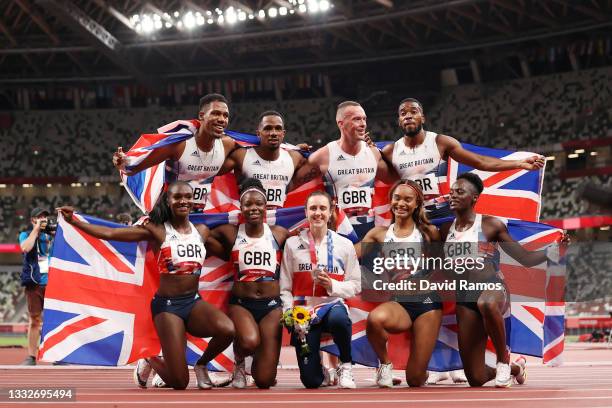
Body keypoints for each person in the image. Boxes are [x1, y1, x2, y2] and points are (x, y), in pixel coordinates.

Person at [57, 181, 235, 390]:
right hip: (168, 308)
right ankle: (149, 357)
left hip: (193, 303)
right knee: (179, 382)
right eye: (177, 197)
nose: (183, 201)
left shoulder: (202, 231)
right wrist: (76, 221)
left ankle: (202, 365)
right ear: (168, 201)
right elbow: (111, 234)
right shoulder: (157, 231)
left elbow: (227, 252)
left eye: (188, 196)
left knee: (227, 330)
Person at [439, 172, 555, 387]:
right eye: (452, 192)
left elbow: (525, 258)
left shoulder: (490, 225)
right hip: (465, 297)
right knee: (476, 378)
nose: (452, 195)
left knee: (487, 302)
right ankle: (516, 368)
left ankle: (503, 361)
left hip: (493, 288)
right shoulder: (446, 230)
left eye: (460, 192)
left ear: (474, 198)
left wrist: (554, 252)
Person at [380, 98, 545, 219]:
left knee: (459, 262)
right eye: (403, 113)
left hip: (444, 213)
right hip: (413, 216)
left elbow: (481, 162)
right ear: (399, 121)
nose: (408, 116)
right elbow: (373, 173)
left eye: (413, 112)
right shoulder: (390, 151)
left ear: (422, 118)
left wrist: (519, 163)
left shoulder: (440, 142)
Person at [358, 180, 442, 387]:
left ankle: (424, 367)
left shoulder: (428, 232)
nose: (401, 203)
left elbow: (439, 267)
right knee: (375, 319)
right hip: (399, 303)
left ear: (417, 204)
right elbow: (349, 255)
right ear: (390, 201)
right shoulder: (378, 234)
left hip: (427, 304)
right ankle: (385, 365)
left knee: (414, 379)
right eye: (397, 198)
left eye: (407, 199)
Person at [206, 178, 288, 388]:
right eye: (248, 204)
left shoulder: (279, 234)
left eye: (258, 204)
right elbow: (200, 235)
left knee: (265, 380)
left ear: (266, 206)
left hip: (272, 307)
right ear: (240, 208)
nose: (253, 208)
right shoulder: (231, 233)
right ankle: (240, 363)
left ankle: (262, 363)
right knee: (250, 342)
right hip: (242, 304)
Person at [280, 191, 361, 389]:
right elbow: (285, 286)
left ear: (331, 212)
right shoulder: (292, 244)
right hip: (303, 312)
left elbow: (356, 284)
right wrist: (289, 312)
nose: (318, 213)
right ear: (306, 212)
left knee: (340, 320)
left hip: (331, 304)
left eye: (323, 208)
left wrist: (332, 285)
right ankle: (320, 370)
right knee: (311, 382)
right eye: (313, 208)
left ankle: (346, 364)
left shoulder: (345, 245)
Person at [113, 94, 239, 211]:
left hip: (202, 215)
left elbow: (252, 153)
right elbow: (133, 168)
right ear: (201, 116)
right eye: (215, 114)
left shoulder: (228, 145)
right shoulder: (178, 145)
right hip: (171, 215)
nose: (222, 119)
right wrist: (124, 162)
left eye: (225, 115)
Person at [308, 101, 396, 239]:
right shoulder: (323, 156)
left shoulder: (373, 153)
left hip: (370, 227)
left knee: (370, 261)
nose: (363, 124)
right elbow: (293, 181)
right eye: (356, 119)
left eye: (364, 119)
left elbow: (397, 179)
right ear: (340, 123)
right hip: (338, 228)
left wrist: (387, 154)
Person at [221, 111, 319, 209]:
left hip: (279, 219)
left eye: (278, 128)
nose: (273, 133)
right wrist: (227, 145)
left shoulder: (295, 157)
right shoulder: (242, 156)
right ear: (258, 133)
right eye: (267, 128)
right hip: (249, 220)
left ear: (283, 133)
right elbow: (213, 172)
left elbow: (321, 166)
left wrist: (304, 153)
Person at [19, 207, 55, 365]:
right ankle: (31, 357)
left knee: (55, 319)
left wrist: (54, 233)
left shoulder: (52, 235)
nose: (43, 220)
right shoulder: (25, 234)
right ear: (32, 220)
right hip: (34, 283)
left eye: (45, 217)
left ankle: (55, 355)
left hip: (54, 282)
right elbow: (26, 247)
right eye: (39, 217)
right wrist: (36, 229)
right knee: (34, 320)